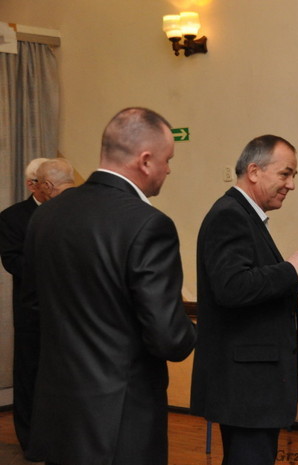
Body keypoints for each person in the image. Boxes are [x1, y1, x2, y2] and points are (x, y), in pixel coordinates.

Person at [22, 107, 197, 465]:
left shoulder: (45, 215)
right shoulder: (149, 224)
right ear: (145, 161)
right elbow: (167, 337)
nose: (168, 170)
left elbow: (33, 306)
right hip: (120, 419)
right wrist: (198, 331)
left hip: (59, 412)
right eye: (167, 160)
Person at [190, 135, 298, 465]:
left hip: (250, 387)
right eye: (285, 174)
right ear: (254, 171)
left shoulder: (241, 214)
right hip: (246, 388)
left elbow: (245, 280)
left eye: (293, 175)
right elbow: (232, 287)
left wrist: (291, 279)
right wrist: (288, 270)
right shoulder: (230, 215)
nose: (291, 185)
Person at [0, 157, 49, 456]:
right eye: (47, 183)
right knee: (30, 375)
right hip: (32, 311)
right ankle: (31, 441)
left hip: (68, 312)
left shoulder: (69, 213)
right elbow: (12, 261)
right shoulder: (12, 217)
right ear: (33, 185)